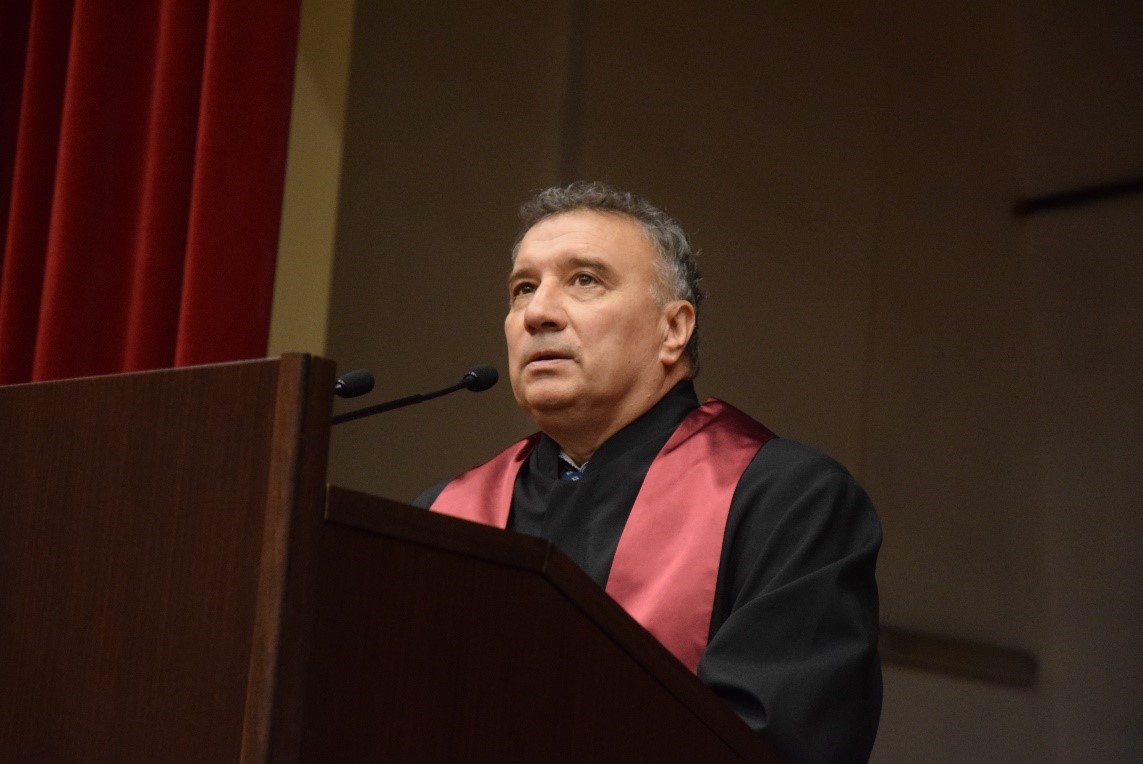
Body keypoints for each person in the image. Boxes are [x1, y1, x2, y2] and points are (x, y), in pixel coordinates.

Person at [415, 181, 882, 763]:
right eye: (523, 288)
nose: (537, 313)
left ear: (674, 329)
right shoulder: (443, 517)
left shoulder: (785, 501)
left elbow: (771, 741)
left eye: (585, 280)